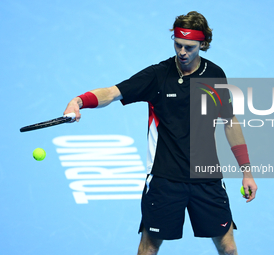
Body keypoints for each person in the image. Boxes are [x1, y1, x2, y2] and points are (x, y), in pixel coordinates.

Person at [64, 11, 257, 255]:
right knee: (148, 249)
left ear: (203, 44)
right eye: (178, 45)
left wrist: (246, 172)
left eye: (189, 47)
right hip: (165, 179)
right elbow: (112, 92)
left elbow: (229, 122)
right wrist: (79, 101)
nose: (182, 52)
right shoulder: (158, 76)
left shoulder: (214, 75)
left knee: (228, 248)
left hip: (207, 177)